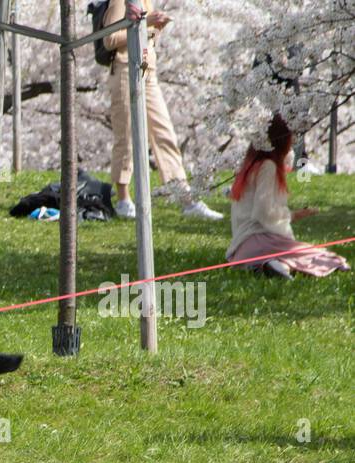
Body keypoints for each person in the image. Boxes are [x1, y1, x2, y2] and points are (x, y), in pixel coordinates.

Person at [101, 0, 220, 220]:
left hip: (148, 69)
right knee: (126, 136)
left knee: (164, 133)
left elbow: (145, 37)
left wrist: (156, 28)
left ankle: (186, 199)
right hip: (125, 70)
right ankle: (124, 199)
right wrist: (146, 24)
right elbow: (110, 39)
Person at [227, 115, 349, 280]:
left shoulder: (249, 167)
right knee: (327, 258)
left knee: (305, 256)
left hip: (242, 249)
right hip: (260, 241)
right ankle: (272, 263)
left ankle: (272, 265)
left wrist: (294, 215)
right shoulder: (267, 167)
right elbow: (262, 212)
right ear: (280, 140)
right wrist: (287, 215)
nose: (292, 144)